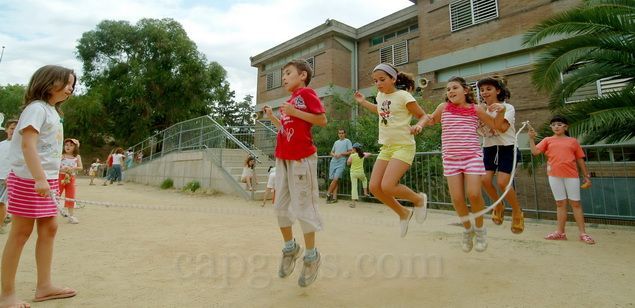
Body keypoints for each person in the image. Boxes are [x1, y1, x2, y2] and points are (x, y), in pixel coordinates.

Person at [0, 65, 78, 308]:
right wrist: (39, 178)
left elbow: (47, 149)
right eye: (66, 82)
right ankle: (6, 295)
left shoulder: (53, 111)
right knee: (21, 233)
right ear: (47, 82)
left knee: (49, 228)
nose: (70, 88)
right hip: (28, 179)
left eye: (73, 84)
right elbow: (27, 146)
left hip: (47, 178)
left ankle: (44, 286)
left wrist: (54, 173)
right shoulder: (36, 109)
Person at [262, 59, 327, 287]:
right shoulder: (289, 101)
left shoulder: (307, 93)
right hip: (283, 159)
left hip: (301, 160)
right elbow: (287, 127)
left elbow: (321, 120)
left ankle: (311, 256)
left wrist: (295, 112)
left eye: (288, 73)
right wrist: (274, 117)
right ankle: (290, 248)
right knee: (280, 207)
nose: (284, 77)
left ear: (302, 76)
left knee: (303, 208)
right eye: (283, 74)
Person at [423, 76, 505, 252]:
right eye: (448, 89)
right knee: (458, 199)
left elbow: (496, 125)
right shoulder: (443, 107)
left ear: (465, 90)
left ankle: (480, 229)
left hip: (472, 157)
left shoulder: (476, 109)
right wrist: (418, 122)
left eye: (454, 88)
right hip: (451, 159)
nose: (450, 91)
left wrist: (502, 111)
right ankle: (468, 230)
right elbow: (431, 120)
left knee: (474, 194)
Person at [352, 63, 428, 238]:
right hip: (387, 147)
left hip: (403, 146)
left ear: (393, 79)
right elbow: (381, 111)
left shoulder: (404, 96)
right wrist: (363, 102)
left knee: (387, 186)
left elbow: (424, 115)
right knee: (374, 187)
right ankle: (403, 213)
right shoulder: (380, 96)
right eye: (375, 81)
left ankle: (418, 199)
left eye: (382, 79)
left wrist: (418, 126)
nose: (378, 83)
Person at [528, 115, 595, 244]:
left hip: (572, 176)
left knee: (575, 204)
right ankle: (560, 232)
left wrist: (586, 176)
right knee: (560, 203)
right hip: (554, 176)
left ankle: (583, 233)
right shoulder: (548, 140)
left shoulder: (573, 141)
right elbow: (535, 152)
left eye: (559, 124)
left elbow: (580, 159)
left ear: (565, 126)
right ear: (551, 127)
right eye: (553, 125)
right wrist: (531, 139)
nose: (556, 127)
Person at [476, 75, 524, 233]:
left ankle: (517, 212)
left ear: (498, 90)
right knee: (484, 180)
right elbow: (478, 129)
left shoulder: (507, 107)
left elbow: (502, 128)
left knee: (503, 183)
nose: (484, 92)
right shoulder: (480, 109)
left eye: (488, 89)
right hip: (489, 147)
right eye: (482, 90)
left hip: (507, 147)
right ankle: (498, 205)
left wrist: (494, 113)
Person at [58, 138, 83, 224]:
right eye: (66, 145)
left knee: (70, 196)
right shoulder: (61, 155)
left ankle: (71, 216)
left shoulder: (77, 157)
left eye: (71, 145)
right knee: (57, 194)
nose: (68, 147)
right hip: (60, 177)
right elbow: (56, 166)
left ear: (75, 147)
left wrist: (73, 168)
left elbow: (80, 167)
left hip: (71, 178)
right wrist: (63, 169)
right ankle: (50, 214)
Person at [0, 119, 18, 234]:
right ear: (6, 130)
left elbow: (18, 163)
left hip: (8, 178)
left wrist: (10, 177)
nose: (13, 131)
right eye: (11, 128)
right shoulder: (1, 144)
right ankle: (5, 217)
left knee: (1, 203)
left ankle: (1, 225)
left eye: (16, 129)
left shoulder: (20, 146)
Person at [325, 129, 352, 203]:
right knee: (334, 180)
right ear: (338, 134)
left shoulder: (347, 141)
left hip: (341, 162)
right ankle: (334, 198)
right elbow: (331, 152)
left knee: (336, 179)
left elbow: (350, 151)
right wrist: (334, 155)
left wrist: (341, 154)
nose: (341, 134)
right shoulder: (336, 142)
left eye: (342, 133)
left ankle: (328, 194)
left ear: (345, 134)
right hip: (333, 162)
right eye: (340, 133)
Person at [346, 143, 370, 208]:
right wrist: (366, 153)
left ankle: (353, 203)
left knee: (354, 187)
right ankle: (365, 192)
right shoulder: (362, 155)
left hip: (353, 173)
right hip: (361, 172)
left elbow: (348, 163)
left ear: (354, 149)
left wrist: (351, 160)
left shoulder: (352, 155)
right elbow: (369, 154)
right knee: (364, 180)